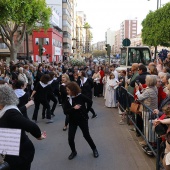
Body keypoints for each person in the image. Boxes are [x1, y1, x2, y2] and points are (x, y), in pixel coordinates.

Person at [0, 84, 46, 170]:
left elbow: (31, 125)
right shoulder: (5, 111)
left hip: (21, 152)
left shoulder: (10, 112)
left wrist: (39, 136)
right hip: (10, 150)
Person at [63, 82, 99, 160]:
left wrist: (86, 110)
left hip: (82, 119)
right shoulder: (67, 98)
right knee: (70, 138)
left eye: (68, 90)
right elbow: (65, 111)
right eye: (67, 90)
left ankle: (94, 149)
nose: (67, 92)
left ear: (73, 90)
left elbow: (90, 102)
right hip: (72, 121)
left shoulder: (80, 96)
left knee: (86, 135)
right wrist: (73, 108)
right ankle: (73, 152)